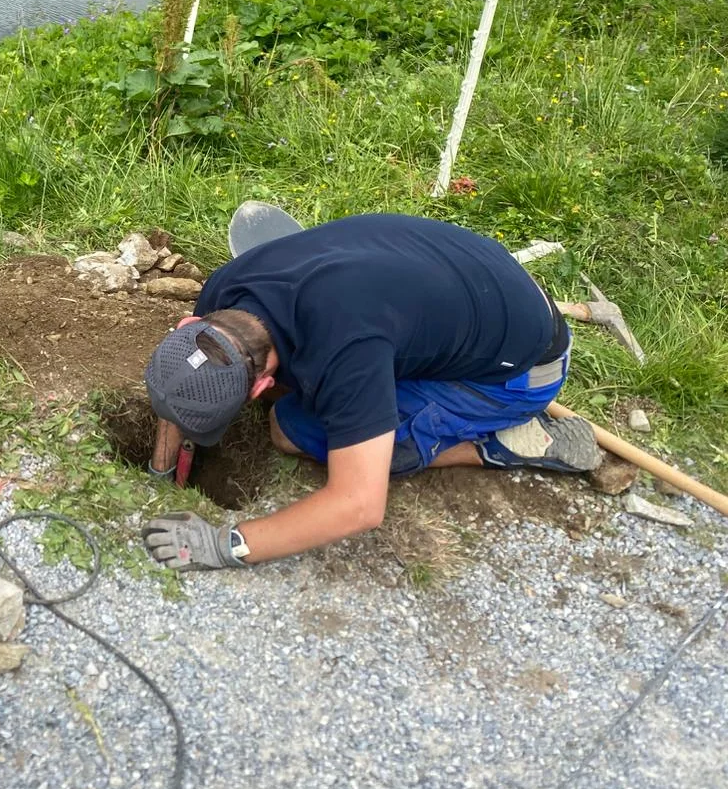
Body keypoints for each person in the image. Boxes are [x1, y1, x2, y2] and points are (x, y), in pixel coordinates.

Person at [139, 213, 601, 572]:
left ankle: (502, 445)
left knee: (291, 429)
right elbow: (182, 377)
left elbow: (358, 505)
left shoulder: (347, 352)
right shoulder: (227, 287)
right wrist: (160, 472)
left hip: (521, 373)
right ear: (192, 324)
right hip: (470, 282)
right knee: (315, 397)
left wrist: (223, 547)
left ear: (259, 384)